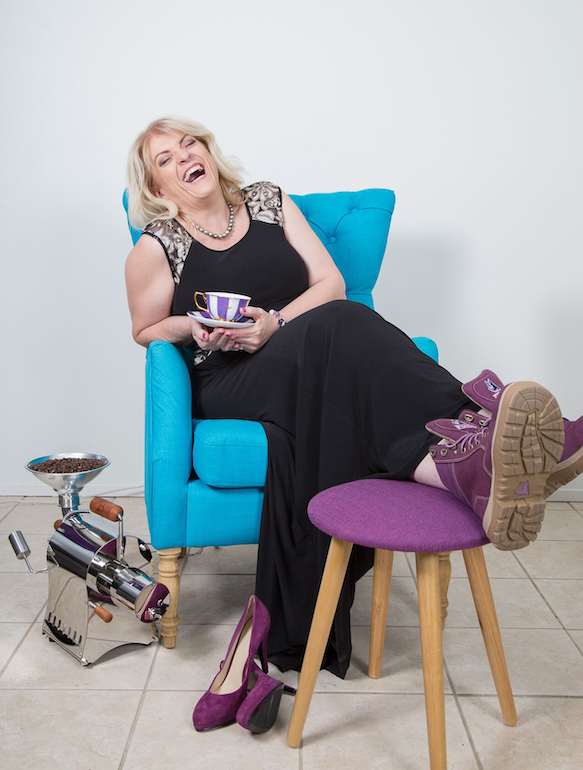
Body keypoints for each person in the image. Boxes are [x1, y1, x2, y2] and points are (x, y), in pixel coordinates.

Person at [125, 116, 583, 678]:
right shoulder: (156, 246)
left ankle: (461, 467)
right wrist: (190, 327)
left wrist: (274, 325)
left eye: (188, 144)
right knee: (343, 323)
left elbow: (331, 283)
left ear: (208, 150)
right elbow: (145, 329)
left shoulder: (268, 201)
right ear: (155, 187)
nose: (183, 158)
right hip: (230, 378)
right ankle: (484, 421)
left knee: (341, 320)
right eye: (165, 159)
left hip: (298, 352)